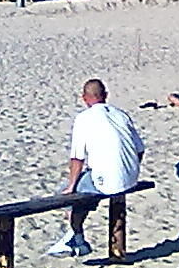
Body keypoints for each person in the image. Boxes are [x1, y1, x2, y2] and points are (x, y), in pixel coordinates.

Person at [48, 78, 145, 257]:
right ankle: (76, 237)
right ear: (105, 95)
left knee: (69, 193)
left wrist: (71, 186)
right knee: (86, 183)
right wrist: (130, 169)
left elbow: (77, 158)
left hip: (108, 180)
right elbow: (140, 149)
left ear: (84, 98)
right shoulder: (121, 114)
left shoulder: (84, 118)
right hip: (131, 176)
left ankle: (75, 236)